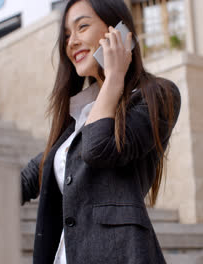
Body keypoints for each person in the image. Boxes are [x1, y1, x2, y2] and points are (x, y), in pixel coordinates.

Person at [21, 0, 181, 263]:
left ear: (118, 30)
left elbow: (97, 149)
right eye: (67, 35)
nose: (72, 42)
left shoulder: (158, 96)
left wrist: (115, 76)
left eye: (82, 27)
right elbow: (33, 174)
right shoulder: (79, 114)